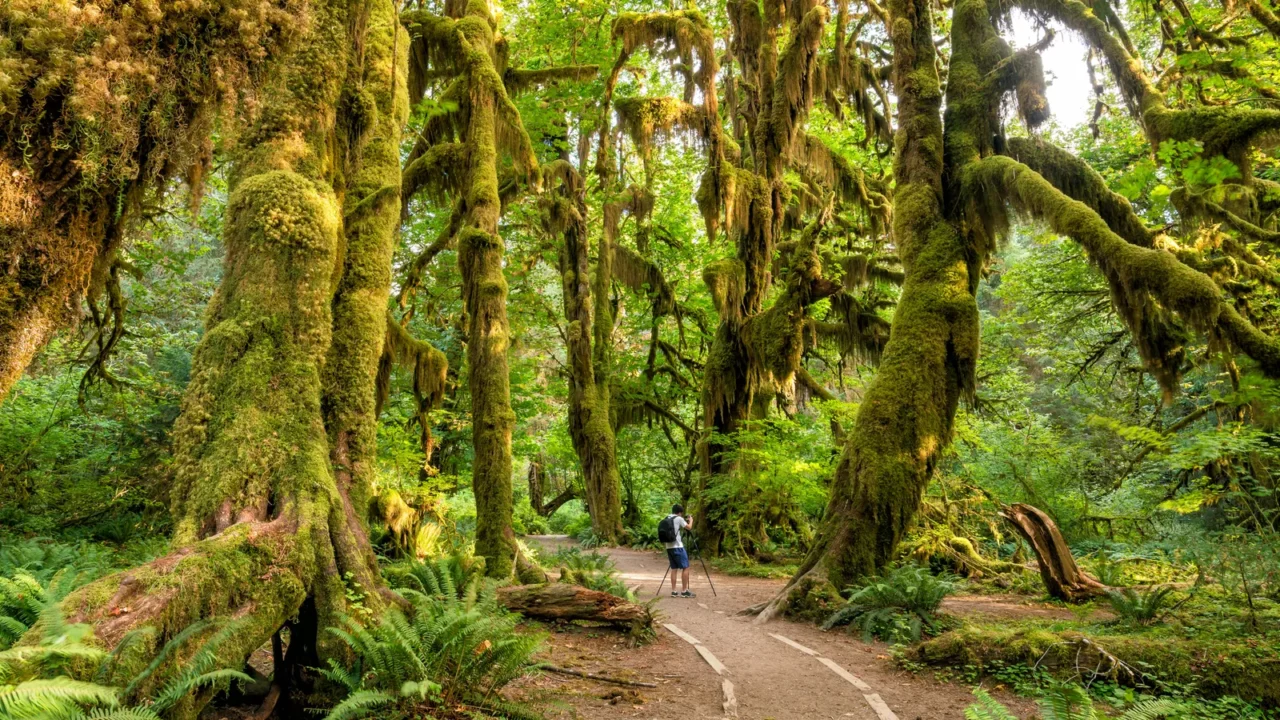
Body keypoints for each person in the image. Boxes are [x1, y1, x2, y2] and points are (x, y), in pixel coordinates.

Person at [663, 504, 695, 598]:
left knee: (674, 568)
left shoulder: (667, 518)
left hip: (668, 546)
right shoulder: (679, 519)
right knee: (686, 567)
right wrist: (691, 521)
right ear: (680, 512)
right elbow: (688, 527)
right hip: (677, 546)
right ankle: (684, 591)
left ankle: (674, 591)